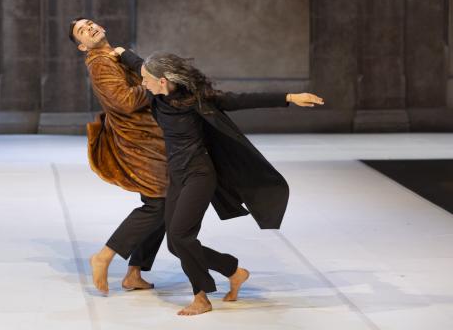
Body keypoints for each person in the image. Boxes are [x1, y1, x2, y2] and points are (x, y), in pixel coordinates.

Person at [115, 48, 324, 315]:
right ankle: (233, 271)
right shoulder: (156, 94)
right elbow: (138, 64)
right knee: (175, 244)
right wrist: (120, 52)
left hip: (199, 174)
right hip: (177, 176)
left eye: (146, 79)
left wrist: (291, 97)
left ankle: (201, 298)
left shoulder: (198, 100)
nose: (142, 82)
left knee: (180, 236)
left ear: (163, 81)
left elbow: (242, 100)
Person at [68, 18, 168, 294]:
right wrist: (154, 84)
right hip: (140, 142)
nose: (90, 28)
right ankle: (105, 256)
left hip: (150, 139)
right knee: (159, 203)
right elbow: (124, 102)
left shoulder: (114, 55)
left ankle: (134, 273)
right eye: (82, 31)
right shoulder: (100, 63)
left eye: (90, 23)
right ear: (82, 46)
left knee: (162, 203)